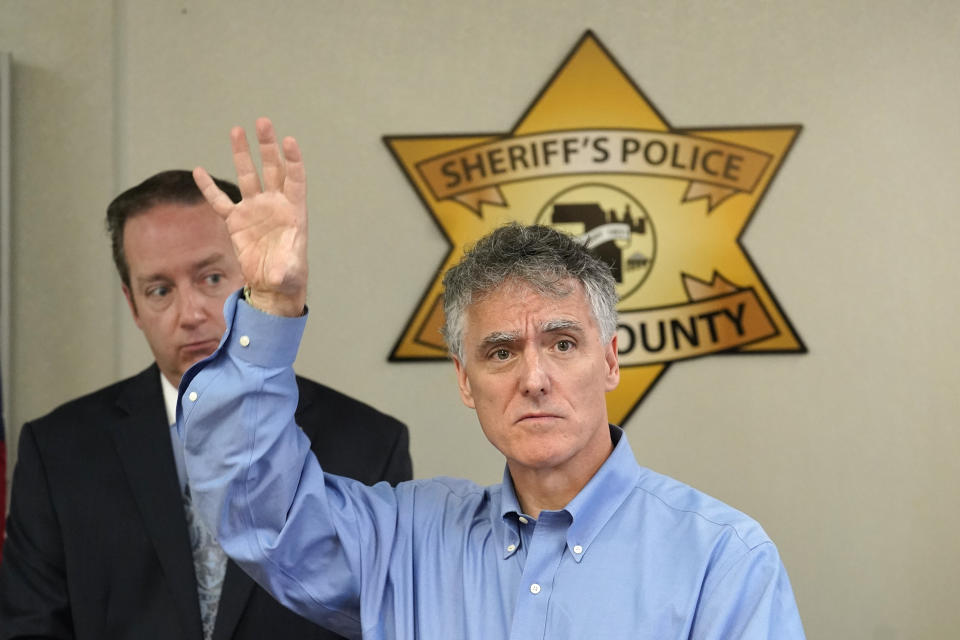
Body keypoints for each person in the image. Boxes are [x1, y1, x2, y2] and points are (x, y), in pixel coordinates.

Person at [179, 118, 806, 639]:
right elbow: (256, 507)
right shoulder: (404, 541)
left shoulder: (720, 559)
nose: (534, 377)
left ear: (610, 360)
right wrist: (271, 302)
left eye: (563, 343)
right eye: (501, 352)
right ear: (464, 380)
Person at [0, 170, 412, 640]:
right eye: (159, 290)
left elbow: (388, 622)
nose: (190, 313)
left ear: (254, 275)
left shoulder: (370, 442)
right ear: (133, 306)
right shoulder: (57, 450)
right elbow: (30, 626)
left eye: (212, 278)